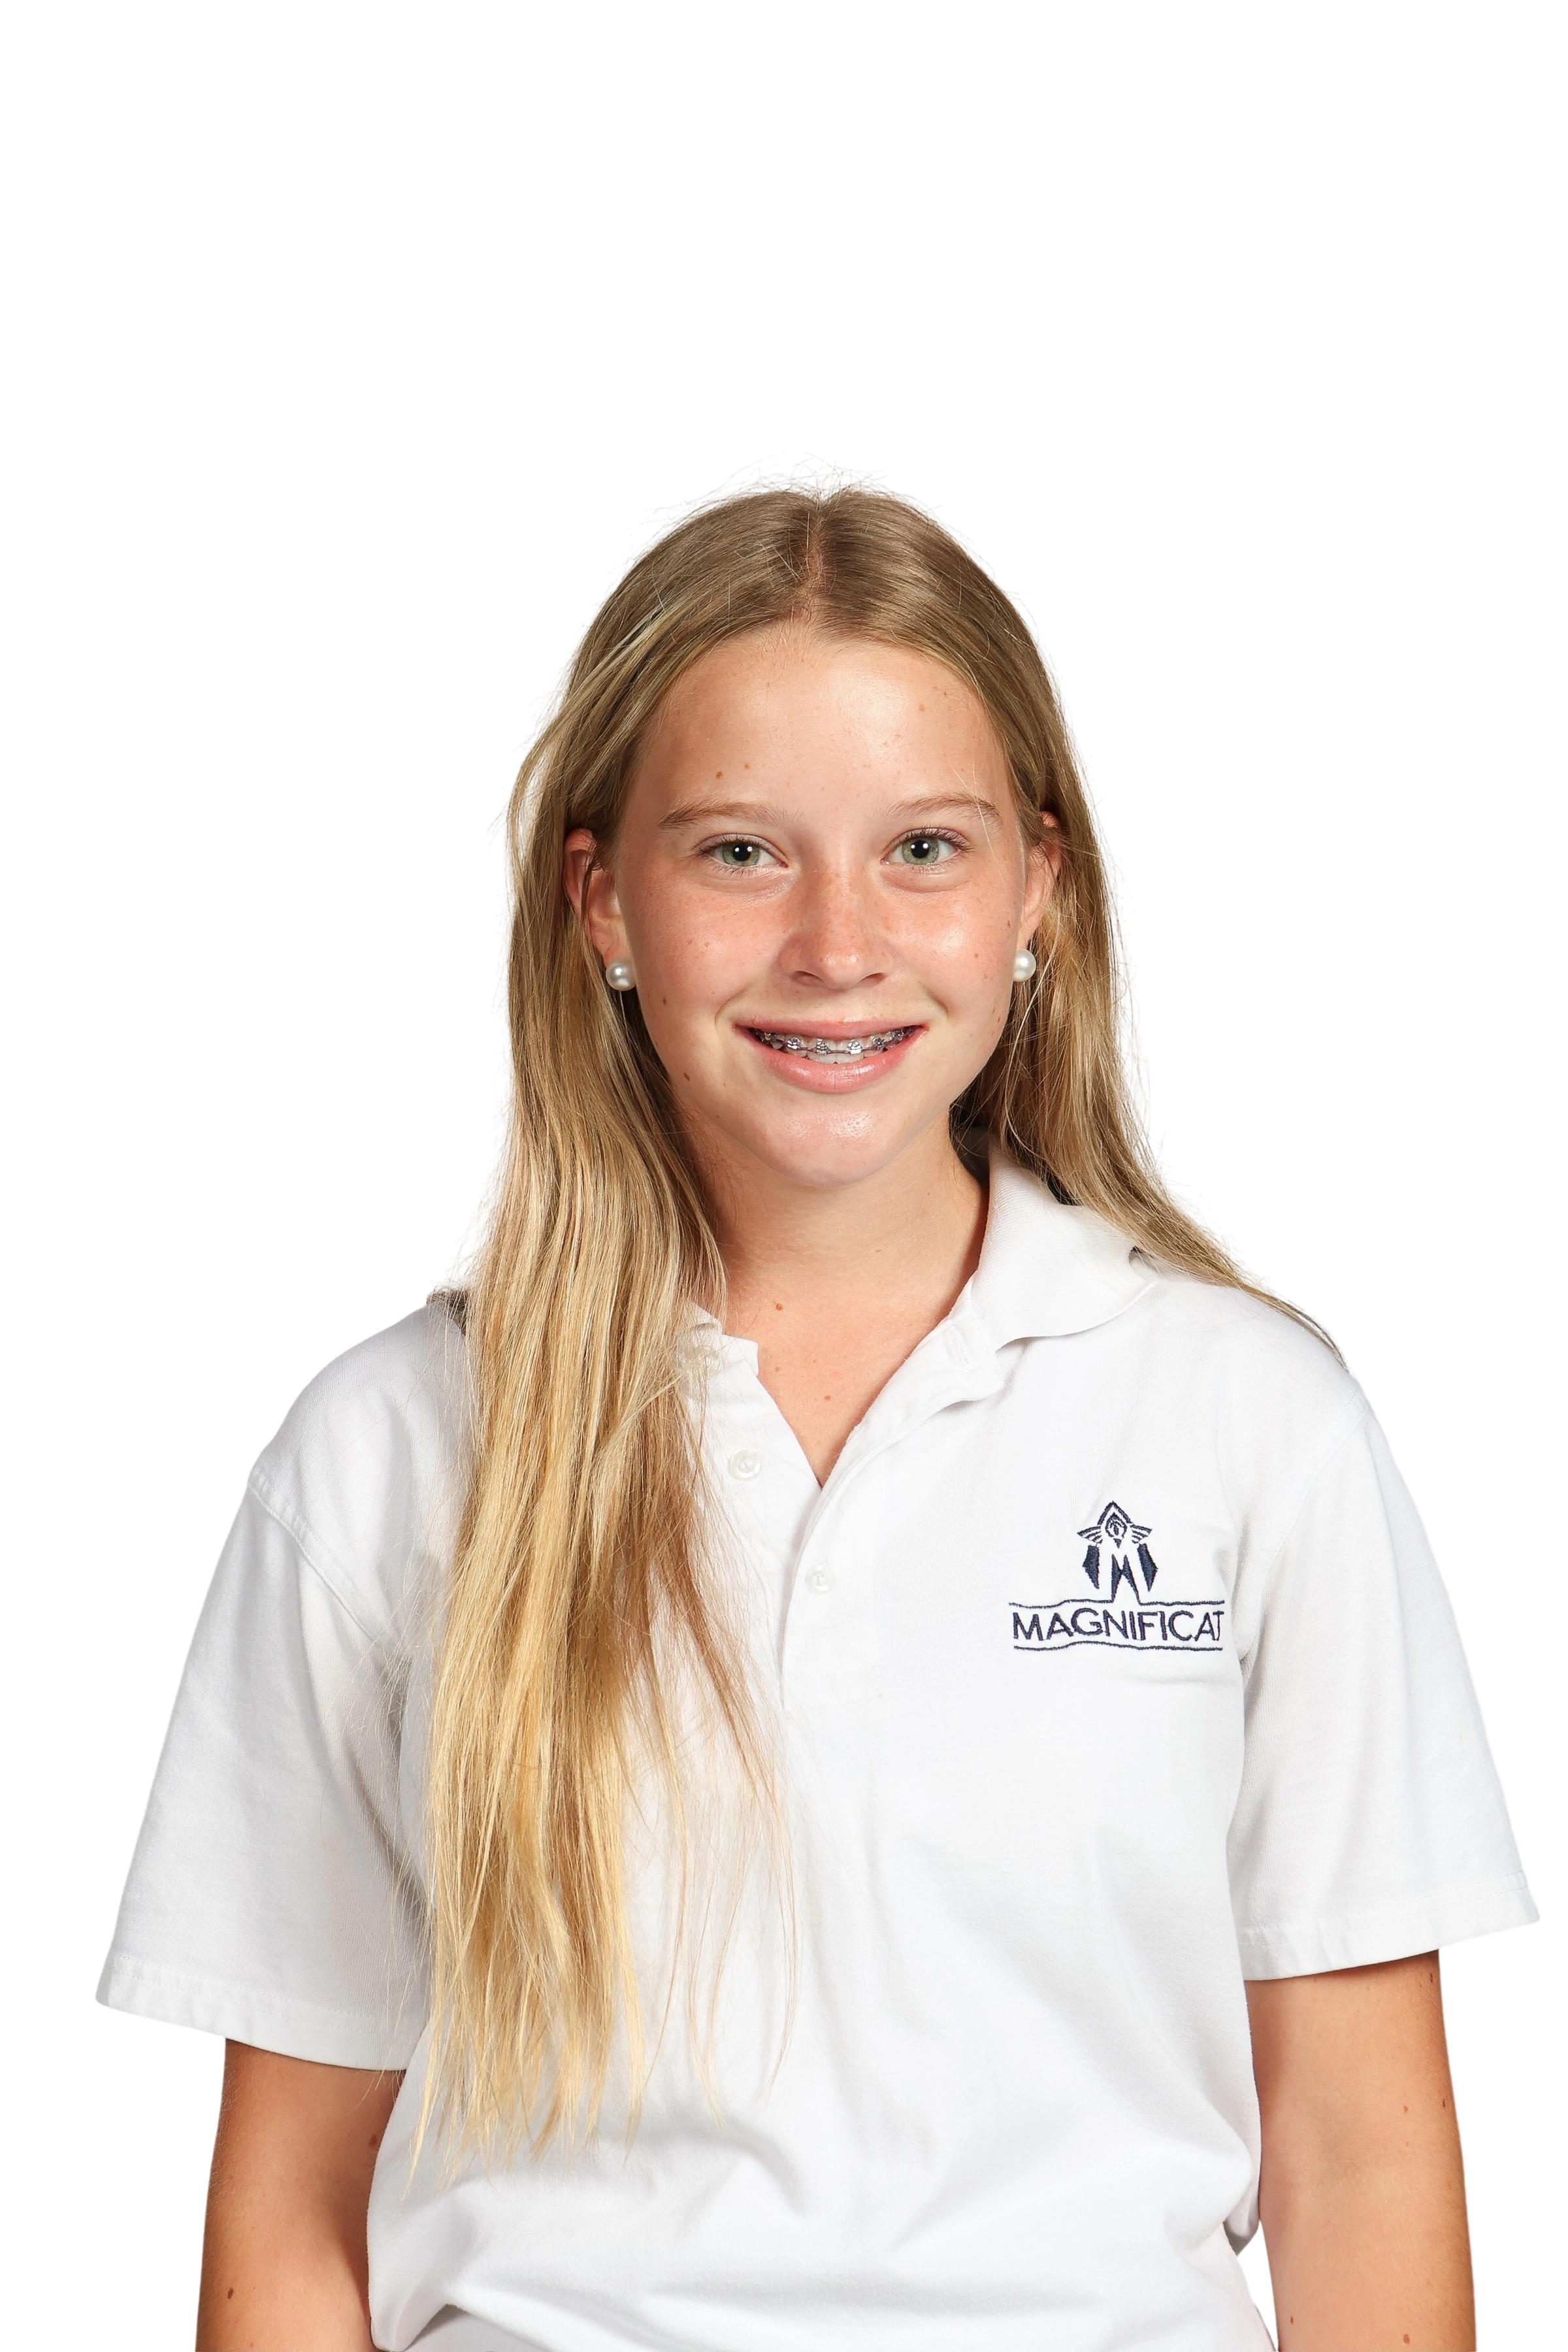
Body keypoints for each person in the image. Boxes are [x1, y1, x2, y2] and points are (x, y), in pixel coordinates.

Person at [96, 456, 1537, 2352]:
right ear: (601, 902)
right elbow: (290, 2209)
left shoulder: (1248, 1424)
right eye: (740, 853)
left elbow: (1356, 2159)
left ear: (1038, 889)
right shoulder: (391, 1456)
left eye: (923, 850)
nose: (838, 945)